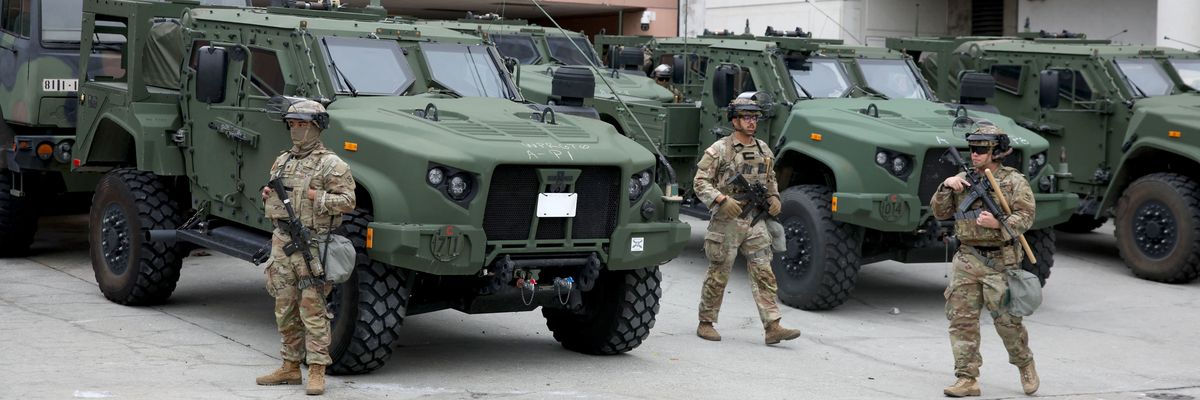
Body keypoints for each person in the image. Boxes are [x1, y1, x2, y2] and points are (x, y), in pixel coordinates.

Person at [256, 98, 356, 396]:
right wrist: (267, 194)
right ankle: (289, 366)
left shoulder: (332, 164)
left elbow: (349, 201)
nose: (297, 130)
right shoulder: (283, 160)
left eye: (303, 125)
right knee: (283, 307)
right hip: (282, 242)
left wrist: (318, 197)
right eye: (293, 125)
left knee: (313, 309)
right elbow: (274, 188)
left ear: (317, 127)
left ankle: (316, 370)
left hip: (312, 243)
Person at [930, 124, 1039, 397]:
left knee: (1007, 323)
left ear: (996, 152)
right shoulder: (962, 179)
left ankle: (1025, 364)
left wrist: (998, 225)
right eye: (972, 149)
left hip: (1000, 261)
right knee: (961, 321)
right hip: (967, 257)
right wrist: (946, 186)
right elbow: (939, 212)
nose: (974, 154)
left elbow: (1026, 217)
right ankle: (967, 378)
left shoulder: (1013, 182)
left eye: (981, 149)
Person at [693, 93, 801, 345]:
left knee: (764, 271)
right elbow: (699, 182)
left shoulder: (764, 149)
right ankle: (706, 322)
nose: (751, 122)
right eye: (745, 117)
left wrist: (775, 198)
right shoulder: (720, 150)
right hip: (727, 221)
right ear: (734, 121)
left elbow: (770, 180)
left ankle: (773, 326)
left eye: (754, 117)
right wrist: (721, 200)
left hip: (755, 221)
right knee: (718, 273)